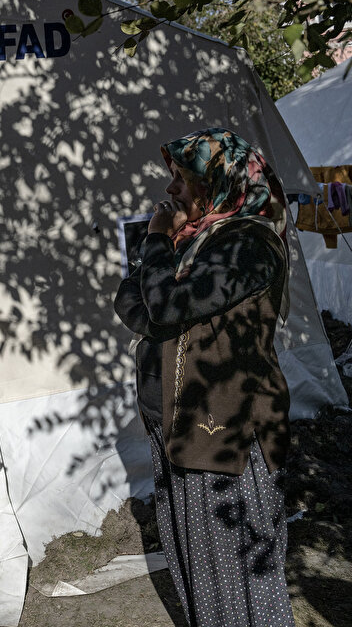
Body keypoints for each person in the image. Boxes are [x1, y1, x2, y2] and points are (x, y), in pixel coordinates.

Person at [113, 128, 296, 627]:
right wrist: (159, 294)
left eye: (181, 180)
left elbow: (165, 302)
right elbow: (129, 297)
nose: (170, 192)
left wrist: (153, 241)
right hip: (174, 420)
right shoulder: (194, 243)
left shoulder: (246, 245)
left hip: (222, 427)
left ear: (218, 182)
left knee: (235, 566)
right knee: (197, 560)